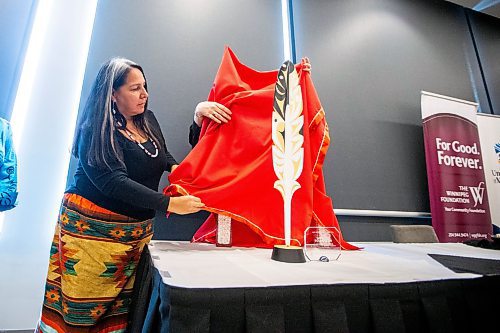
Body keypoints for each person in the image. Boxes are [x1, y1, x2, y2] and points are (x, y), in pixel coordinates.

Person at [36, 58, 203, 333]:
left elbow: (162, 154)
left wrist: (176, 171)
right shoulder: (95, 129)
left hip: (134, 237)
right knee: (82, 312)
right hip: (92, 238)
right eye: (135, 88)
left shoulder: (146, 119)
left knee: (123, 314)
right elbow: (114, 182)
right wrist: (170, 203)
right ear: (113, 94)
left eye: (145, 86)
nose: (145, 94)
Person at [189, 57, 311, 147]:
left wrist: (301, 81)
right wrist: (198, 114)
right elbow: (196, 146)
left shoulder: (273, 123)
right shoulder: (217, 110)